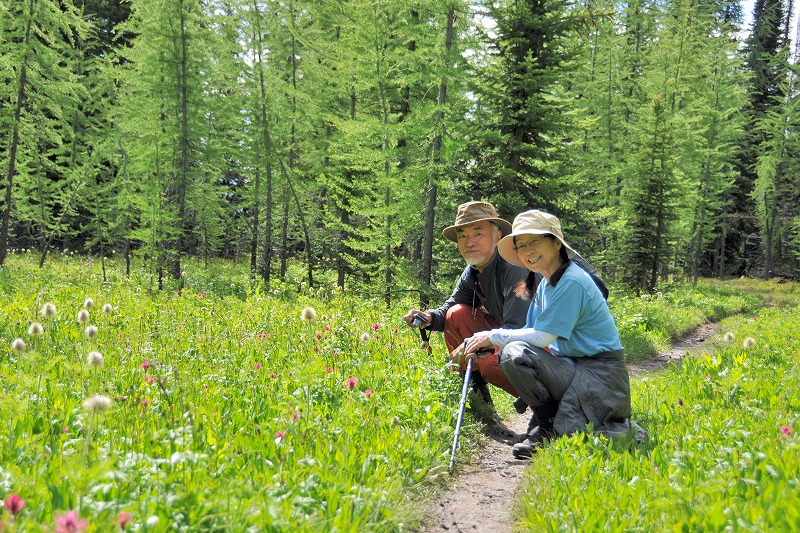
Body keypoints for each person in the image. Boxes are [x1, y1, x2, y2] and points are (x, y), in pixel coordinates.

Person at [462, 209, 643, 458]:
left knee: (515, 352)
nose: (527, 251)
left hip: (602, 376)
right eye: (521, 245)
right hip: (574, 368)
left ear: (556, 242)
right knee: (513, 351)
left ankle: (548, 426)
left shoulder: (571, 281)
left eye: (534, 241)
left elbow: (542, 338)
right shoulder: (546, 283)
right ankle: (548, 423)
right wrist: (493, 341)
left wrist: (493, 336)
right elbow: (531, 332)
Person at [404, 201, 529, 407]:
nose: (469, 242)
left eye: (478, 233)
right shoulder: (473, 271)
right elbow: (449, 310)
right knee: (457, 314)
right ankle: (478, 398)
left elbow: (519, 328)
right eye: (463, 236)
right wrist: (429, 317)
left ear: (497, 237)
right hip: (511, 339)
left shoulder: (514, 266)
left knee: (489, 362)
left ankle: (546, 409)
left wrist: (468, 348)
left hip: (544, 348)